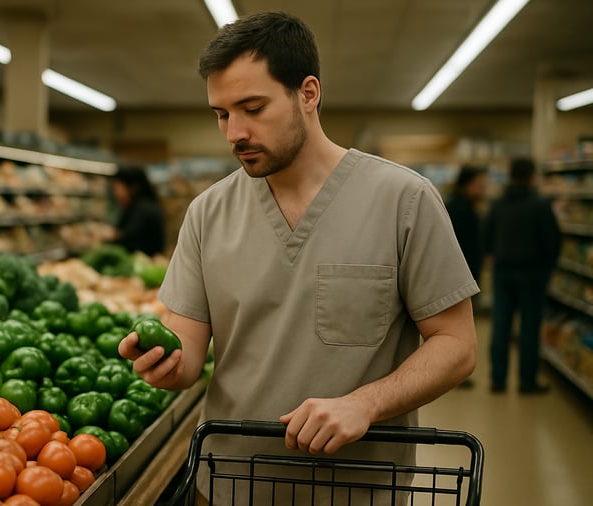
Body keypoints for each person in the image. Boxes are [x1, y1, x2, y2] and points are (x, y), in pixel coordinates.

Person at [119, 11, 478, 504]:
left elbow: (456, 344)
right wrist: (164, 362)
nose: (234, 133)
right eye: (222, 114)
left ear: (308, 94)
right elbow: (188, 354)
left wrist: (364, 404)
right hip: (227, 482)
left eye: (252, 108)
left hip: (359, 490)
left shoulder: (404, 201)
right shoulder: (207, 213)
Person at [484, 158, 561, 395]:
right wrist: (547, 267)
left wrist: (492, 256)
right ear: (531, 177)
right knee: (529, 328)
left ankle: (498, 379)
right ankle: (527, 382)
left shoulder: (498, 205)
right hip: (533, 274)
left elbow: (485, 234)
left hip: (503, 272)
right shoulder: (539, 205)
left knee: (500, 326)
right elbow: (552, 241)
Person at [446, 165, 487, 389]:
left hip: (464, 274)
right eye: (479, 184)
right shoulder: (459, 208)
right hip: (460, 276)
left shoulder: (462, 205)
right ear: (468, 183)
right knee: (457, 330)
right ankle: (454, 374)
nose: (483, 189)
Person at [108, 165, 166, 256]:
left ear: (133, 187)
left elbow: (129, 237)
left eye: (117, 188)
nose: (115, 194)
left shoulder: (144, 210)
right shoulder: (138, 206)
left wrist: (112, 236)